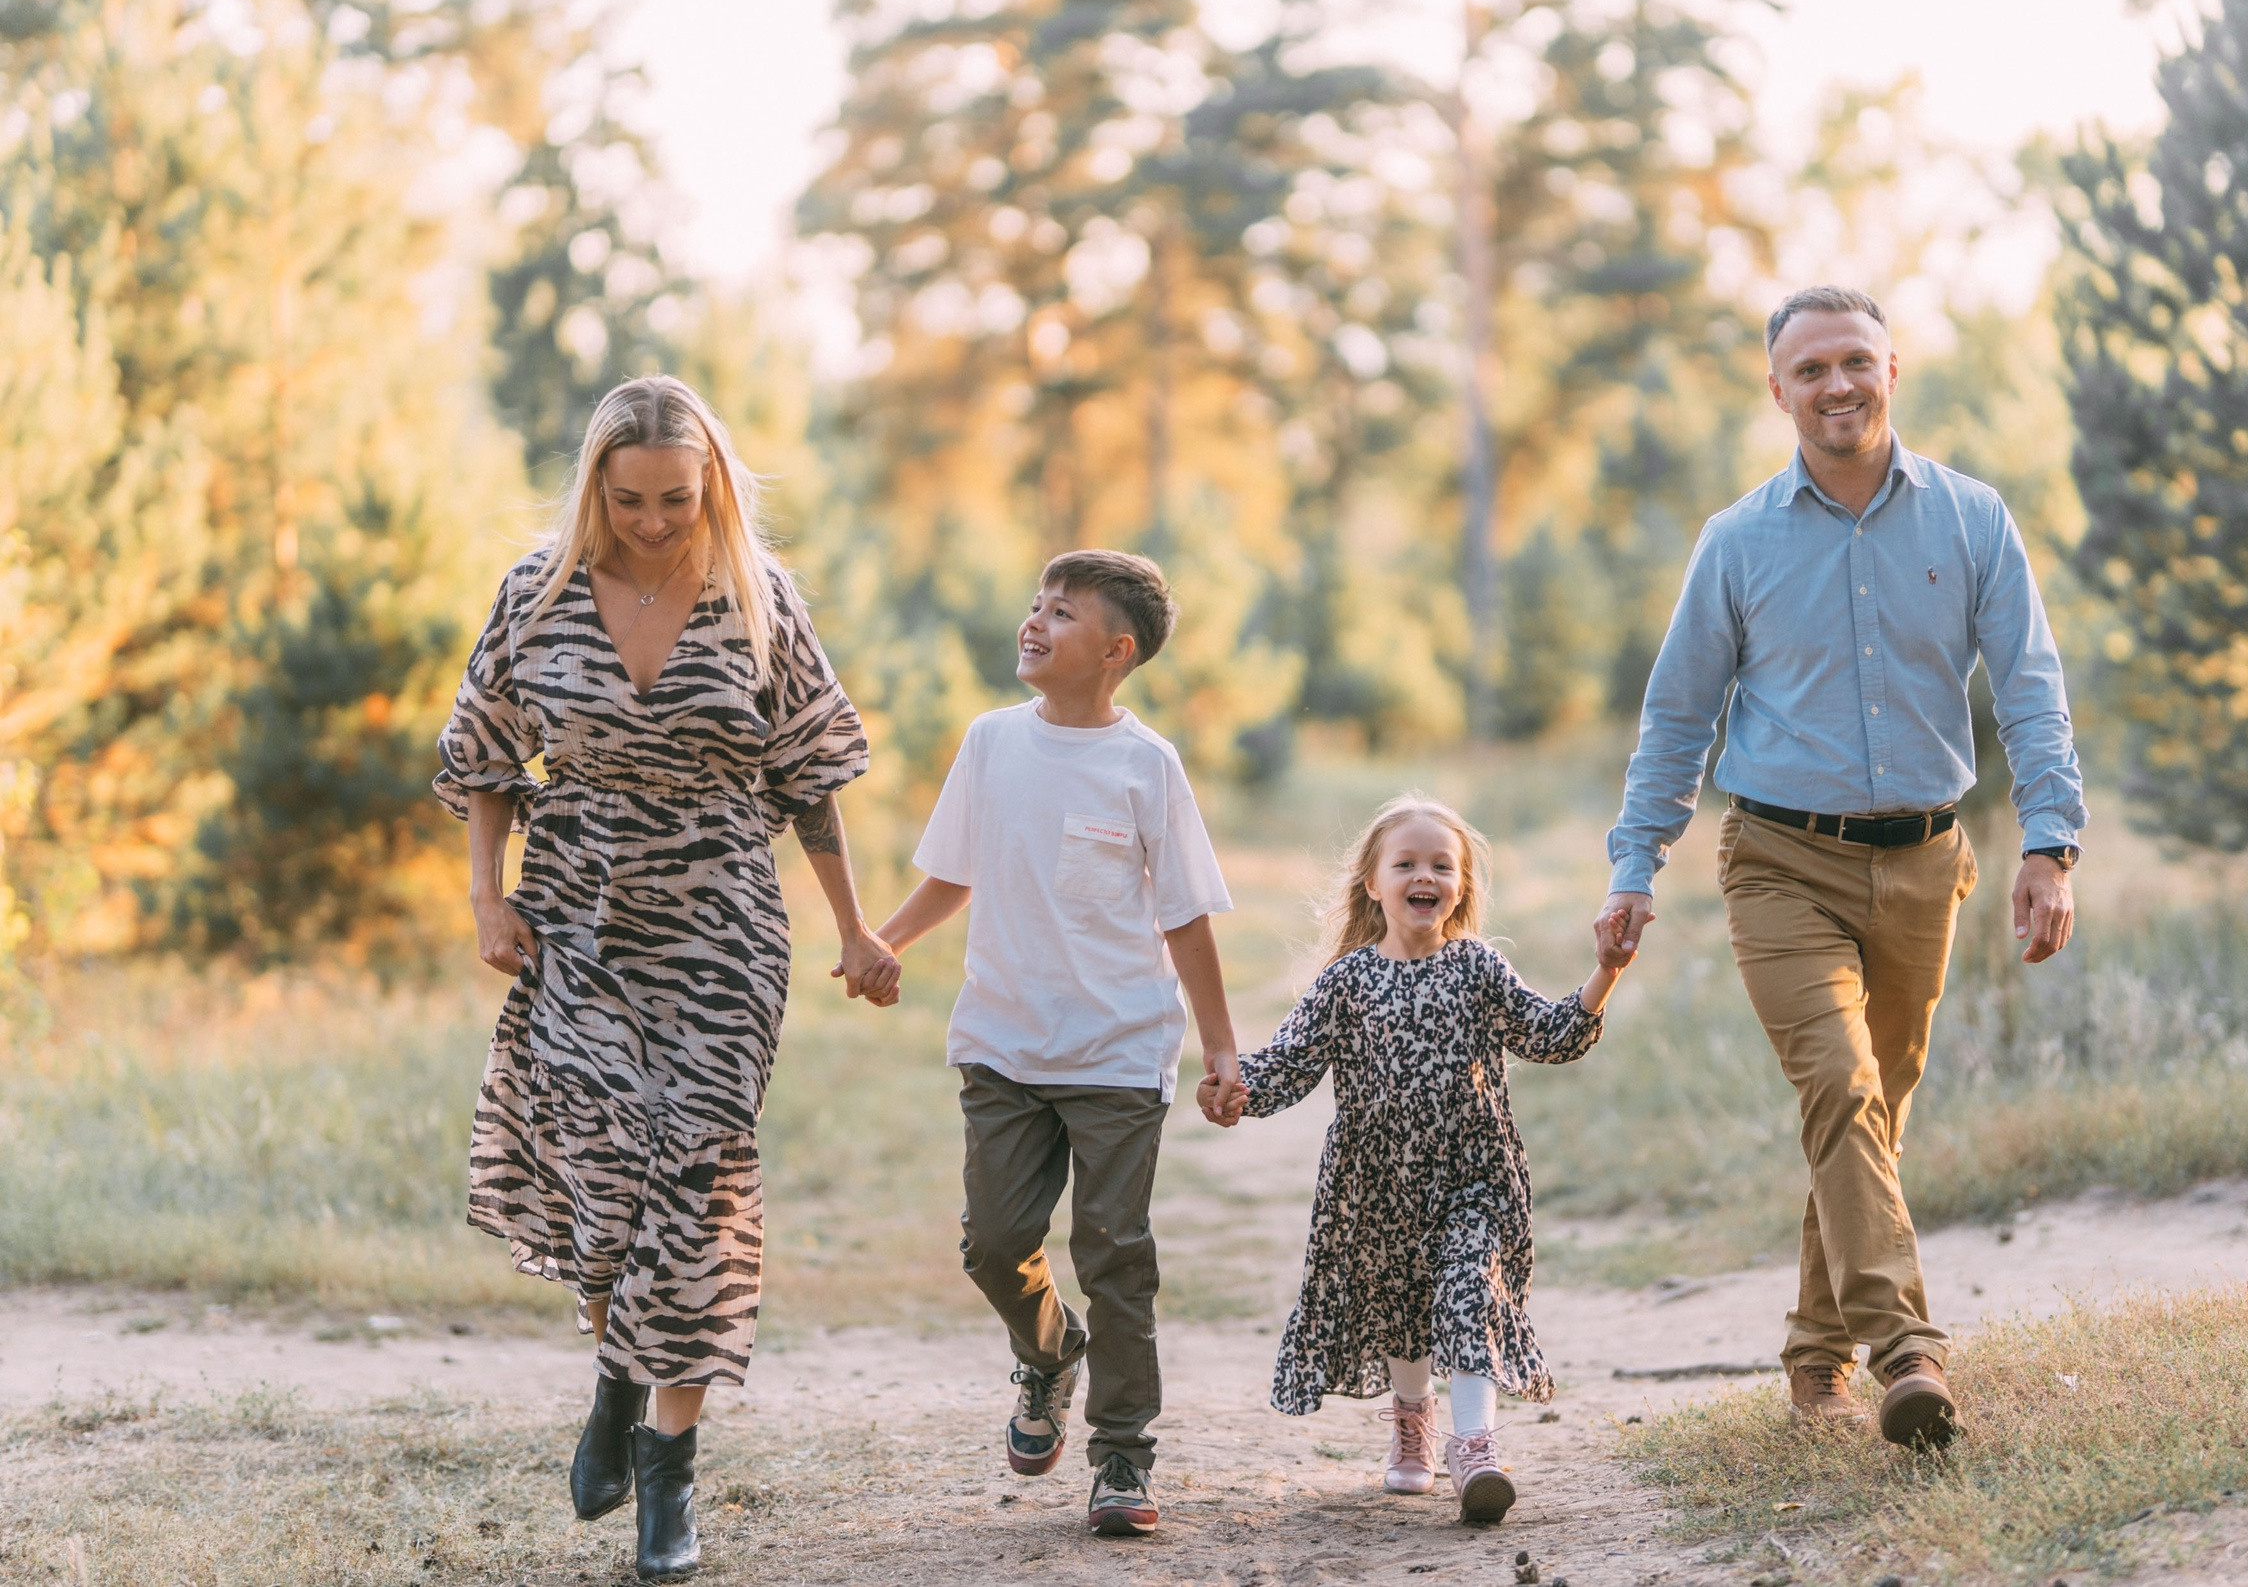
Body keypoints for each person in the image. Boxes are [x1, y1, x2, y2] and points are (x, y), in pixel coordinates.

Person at [1595, 285, 2085, 1451]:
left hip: (1926, 864)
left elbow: (2029, 687)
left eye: (1853, 362)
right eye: (1808, 370)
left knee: (1871, 1113)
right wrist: (1634, 863)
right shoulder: (1737, 541)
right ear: (1778, 393)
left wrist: (2051, 845)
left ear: (1891, 370)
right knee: (1841, 1089)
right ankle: (1907, 1349)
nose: (1835, 387)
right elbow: (1676, 720)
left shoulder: (1970, 519)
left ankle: (1815, 1354)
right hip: (1777, 861)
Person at [435, 375, 898, 1582]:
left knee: (698, 1176)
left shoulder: (757, 597)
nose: (652, 520)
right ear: (596, 484)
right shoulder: (534, 595)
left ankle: (668, 1478)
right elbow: (483, 754)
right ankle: (614, 1377)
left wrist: (853, 928)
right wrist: (488, 897)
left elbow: (808, 776)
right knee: (598, 1175)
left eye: (677, 500)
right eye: (631, 499)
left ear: (715, 488)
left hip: (721, 930)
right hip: (578, 921)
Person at [872, 549, 1240, 1540]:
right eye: (1034, 604)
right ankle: (1047, 1356)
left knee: (1115, 1253)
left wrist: (1220, 1049)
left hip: (1119, 1053)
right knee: (993, 1244)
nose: (1034, 622)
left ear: (1115, 651)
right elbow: (954, 872)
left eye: (1062, 613)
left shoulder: (1146, 765)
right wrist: (884, 941)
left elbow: (1187, 918)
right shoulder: (992, 743)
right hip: (1002, 1044)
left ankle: (1121, 1454)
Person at [1210, 793, 1631, 1525]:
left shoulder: (1477, 967)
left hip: (1474, 1174)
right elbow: (1286, 1066)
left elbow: (1552, 1033)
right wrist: (1232, 1089)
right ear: (1373, 882)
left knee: (1468, 1290)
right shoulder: (1346, 981)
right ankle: (1413, 1421)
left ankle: (1476, 1446)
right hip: (1376, 1183)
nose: (1424, 874)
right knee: (1403, 1308)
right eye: (1405, 863)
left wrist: (1608, 970)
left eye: (1442, 863)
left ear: (1460, 884)